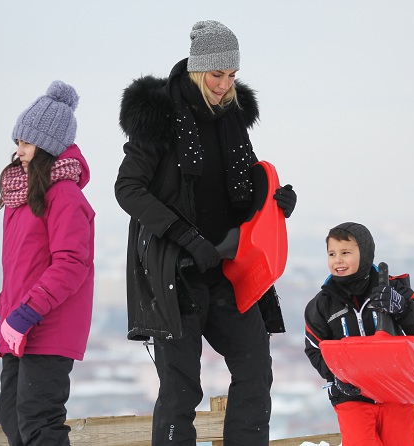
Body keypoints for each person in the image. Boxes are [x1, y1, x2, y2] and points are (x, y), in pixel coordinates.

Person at [115, 20, 297, 445]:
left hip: (228, 270)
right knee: (180, 389)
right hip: (176, 273)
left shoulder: (232, 118)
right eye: (217, 74)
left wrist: (276, 200)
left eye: (232, 75)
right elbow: (127, 188)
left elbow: (245, 185)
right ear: (198, 69)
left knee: (255, 369)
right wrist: (187, 238)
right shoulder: (159, 117)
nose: (224, 85)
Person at [0, 80, 95, 446]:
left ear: (47, 146)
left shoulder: (64, 196)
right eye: (18, 141)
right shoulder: (22, 195)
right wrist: (3, 315)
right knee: (12, 417)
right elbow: (19, 268)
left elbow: (71, 264)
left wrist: (26, 313)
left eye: (27, 143)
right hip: (19, 324)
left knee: (39, 421)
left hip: (49, 327)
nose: (19, 151)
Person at [304, 222, 414, 446]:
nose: (338, 260)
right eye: (332, 254)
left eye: (346, 253)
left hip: (397, 390)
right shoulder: (321, 305)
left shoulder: (391, 289)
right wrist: (339, 377)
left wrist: (401, 306)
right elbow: (315, 349)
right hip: (351, 395)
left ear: (364, 254)